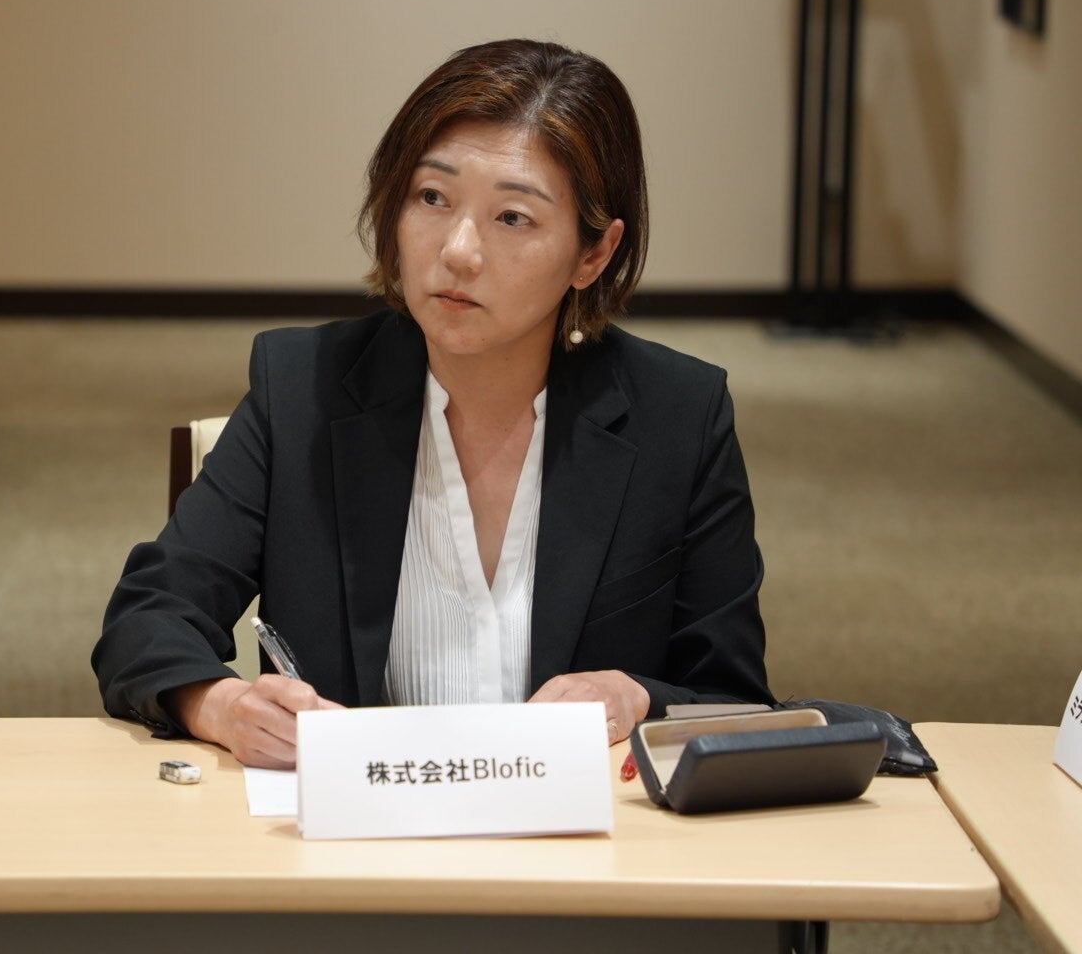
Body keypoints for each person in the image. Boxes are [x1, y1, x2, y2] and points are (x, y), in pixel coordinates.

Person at [93, 39, 772, 769]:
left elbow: (734, 700)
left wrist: (636, 696)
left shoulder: (679, 417)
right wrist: (223, 706)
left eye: (513, 217)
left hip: (581, 834)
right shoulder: (303, 390)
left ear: (593, 255)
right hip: (359, 829)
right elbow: (149, 616)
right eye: (432, 198)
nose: (458, 251)